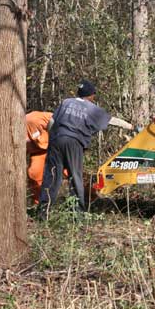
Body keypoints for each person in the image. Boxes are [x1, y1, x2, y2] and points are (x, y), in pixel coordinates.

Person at [37, 80, 111, 220]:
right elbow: (111, 120)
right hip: (74, 142)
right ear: (91, 95)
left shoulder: (66, 102)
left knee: (52, 176)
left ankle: (43, 213)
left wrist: (53, 139)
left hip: (57, 140)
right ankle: (77, 214)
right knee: (75, 176)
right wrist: (132, 127)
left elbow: (51, 123)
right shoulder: (91, 108)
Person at [26, 110, 53, 206]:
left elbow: (56, 121)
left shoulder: (34, 120)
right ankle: (39, 204)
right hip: (38, 151)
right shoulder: (16, 133)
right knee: (33, 173)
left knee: (71, 172)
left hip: (55, 147)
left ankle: (87, 198)